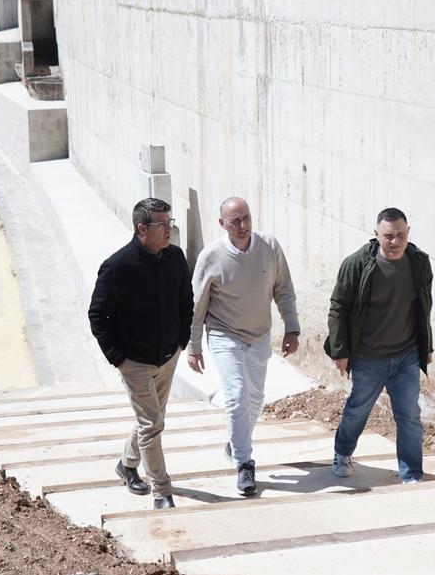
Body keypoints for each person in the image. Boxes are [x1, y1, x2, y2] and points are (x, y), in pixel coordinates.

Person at [186, 197, 299, 495]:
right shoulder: (211, 257)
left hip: (259, 335)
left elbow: (283, 289)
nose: (243, 225)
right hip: (224, 335)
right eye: (235, 220)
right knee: (236, 396)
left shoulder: (270, 247)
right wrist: (193, 345)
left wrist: (292, 327)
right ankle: (244, 464)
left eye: (246, 218)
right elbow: (197, 305)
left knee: (256, 399)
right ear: (222, 223)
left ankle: (235, 444)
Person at [88, 197, 192, 510]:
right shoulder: (117, 266)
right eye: (163, 225)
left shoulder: (175, 258)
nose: (169, 231)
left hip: (167, 355)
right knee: (151, 425)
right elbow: (97, 315)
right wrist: (118, 358)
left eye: (170, 223)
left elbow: (185, 300)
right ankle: (162, 491)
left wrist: (182, 339)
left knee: (152, 418)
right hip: (134, 361)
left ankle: (126, 464)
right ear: (142, 229)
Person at [325, 207, 433, 483]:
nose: (395, 242)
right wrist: (340, 351)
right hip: (368, 357)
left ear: (408, 233)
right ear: (376, 235)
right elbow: (339, 308)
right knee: (358, 409)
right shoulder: (357, 264)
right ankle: (342, 452)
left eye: (400, 235)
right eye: (388, 236)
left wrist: (426, 346)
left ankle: (411, 474)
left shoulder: (419, 263)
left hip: (406, 355)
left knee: (409, 415)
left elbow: (423, 307)